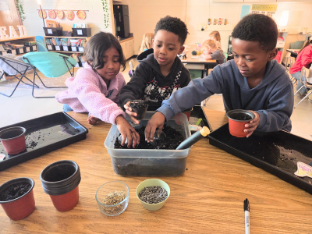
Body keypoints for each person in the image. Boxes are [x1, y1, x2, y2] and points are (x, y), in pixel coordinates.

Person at [145, 14, 294, 141]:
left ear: (271, 55)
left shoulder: (281, 82)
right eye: (235, 55)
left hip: (272, 137)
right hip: (238, 134)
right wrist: (165, 109)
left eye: (248, 58)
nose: (240, 63)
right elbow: (196, 89)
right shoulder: (226, 71)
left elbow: (281, 116)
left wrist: (261, 118)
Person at [56, 32, 139, 148]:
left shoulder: (119, 78)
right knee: (75, 144)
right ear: (90, 61)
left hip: (96, 109)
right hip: (75, 110)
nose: (111, 66)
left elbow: (115, 100)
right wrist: (119, 119)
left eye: (115, 60)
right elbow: (91, 98)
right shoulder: (84, 74)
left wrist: (96, 113)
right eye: (104, 61)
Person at [120, 15, 191, 124]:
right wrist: (128, 102)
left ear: (180, 50)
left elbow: (186, 103)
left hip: (170, 121)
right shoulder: (144, 68)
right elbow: (129, 90)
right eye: (158, 45)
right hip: (144, 120)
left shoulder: (184, 75)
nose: (162, 51)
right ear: (153, 43)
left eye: (170, 48)